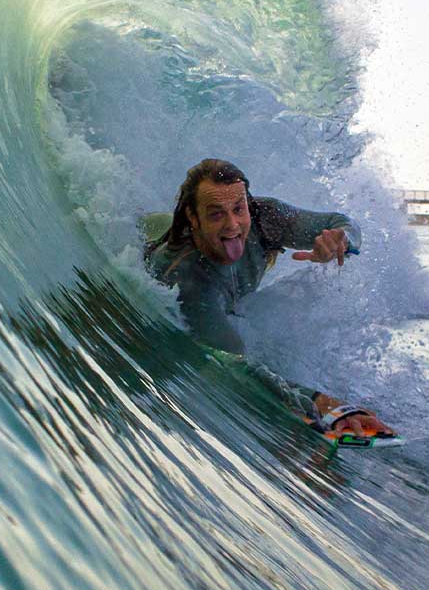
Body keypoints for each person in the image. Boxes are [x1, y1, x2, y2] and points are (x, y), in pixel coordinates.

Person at [145, 158, 391, 438]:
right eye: (216, 214)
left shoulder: (266, 218)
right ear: (193, 217)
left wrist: (341, 241)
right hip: (151, 236)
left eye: (238, 209)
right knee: (230, 343)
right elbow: (232, 361)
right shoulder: (189, 276)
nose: (233, 225)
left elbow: (343, 223)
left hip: (170, 229)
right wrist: (321, 403)